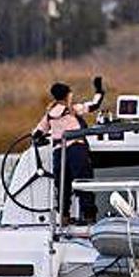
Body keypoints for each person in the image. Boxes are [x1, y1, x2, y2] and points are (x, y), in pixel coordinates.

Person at [32, 77, 105, 223]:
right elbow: (95, 105)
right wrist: (99, 90)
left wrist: (41, 138)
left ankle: (63, 216)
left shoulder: (49, 114)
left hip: (59, 153)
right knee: (83, 182)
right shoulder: (73, 110)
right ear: (67, 95)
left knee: (62, 185)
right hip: (76, 149)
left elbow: (37, 133)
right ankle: (89, 216)